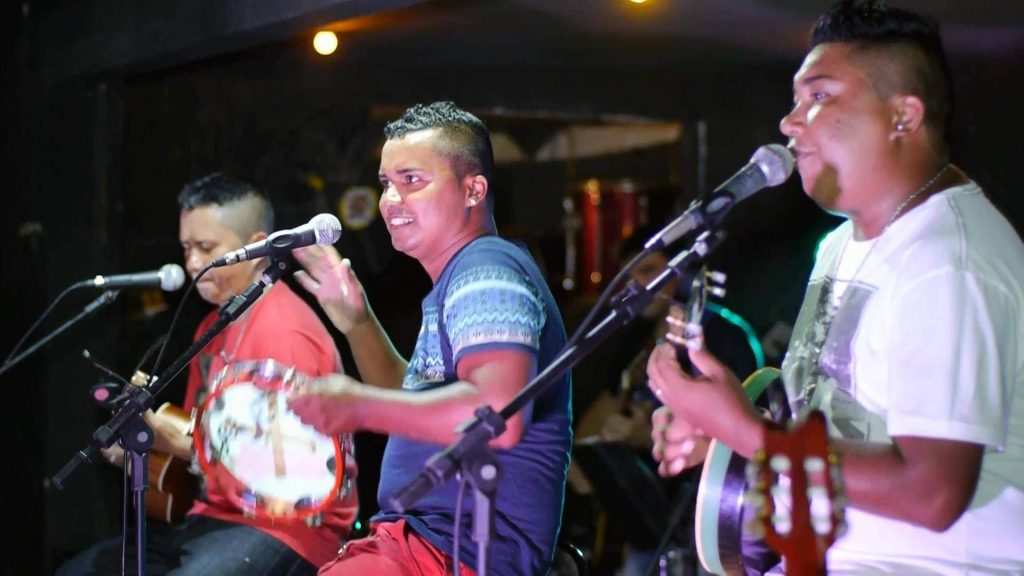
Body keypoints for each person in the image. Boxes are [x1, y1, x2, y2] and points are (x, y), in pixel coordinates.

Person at [647, 1, 1024, 574]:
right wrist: (717, 436)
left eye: (819, 96)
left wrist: (746, 433)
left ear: (903, 116)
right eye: (795, 99)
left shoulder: (947, 262)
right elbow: (829, 436)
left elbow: (932, 493)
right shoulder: (840, 246)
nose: (790, 121)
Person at [287, 101, 572, 576]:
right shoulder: (459, 280)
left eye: (412, 180)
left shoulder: (486, 270)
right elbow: (414, 400)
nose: (390, 200)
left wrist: (358, 406)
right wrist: (358, 322)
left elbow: (497, 413)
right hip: (426, 544)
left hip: (453, 553)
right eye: (386, 183)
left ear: (472, 189)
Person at [58, 173, 358, 575]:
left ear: (256, 246)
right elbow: (199, 439)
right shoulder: (212, 327)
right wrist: (142, 448)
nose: (193, 263)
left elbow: (290, 467)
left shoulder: (286, 332)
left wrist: (176, 444)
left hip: (288, 529)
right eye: (187, 248)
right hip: (213, 518)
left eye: (206, 248)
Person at [568, 224, 759, 576]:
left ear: (681, 271)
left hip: (709, 524)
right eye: (628, 275)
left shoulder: (724, 337)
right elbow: (595, 418)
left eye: (646, 270)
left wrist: (645, 436)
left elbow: (743, 439)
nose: (635, 285)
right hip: (649, 527)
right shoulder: (634, 340)